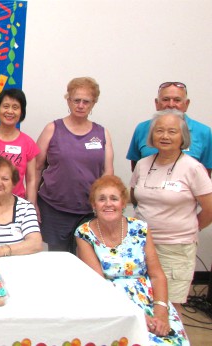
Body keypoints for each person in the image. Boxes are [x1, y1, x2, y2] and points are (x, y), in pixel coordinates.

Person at [76, 175, 188, 344]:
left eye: (114, 198)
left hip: (149, 299)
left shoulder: (140, 228)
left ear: (123, 203)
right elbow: (99, 284)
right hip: (111, 301)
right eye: (101, 199)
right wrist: (136, 315)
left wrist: (160, 311)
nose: (108, 204)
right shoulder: (84, 233)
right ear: (93, 205)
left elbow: (157, 275)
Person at [130, 109, 212, 309]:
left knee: (170, 308)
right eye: (159, 131)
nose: (165, 136)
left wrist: (190, 228)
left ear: (182, 136)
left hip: (175, 248)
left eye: (172, 131)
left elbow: (209, 209)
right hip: (140, 245)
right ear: (152, 135)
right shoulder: (142, 164)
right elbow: (134, 198)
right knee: (141, 302)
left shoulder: (193, 168)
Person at [35, 77, 114, 252]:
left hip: (89, 210)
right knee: (57, 259)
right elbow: (36, 167)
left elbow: (108, 174)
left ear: (93, 104)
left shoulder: (102, 133)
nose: (80, 105)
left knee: (88, 259)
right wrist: (32, 202)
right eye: (76, 100)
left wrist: (105, 205)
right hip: (54, 209)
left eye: (86, 101)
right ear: (68, 100)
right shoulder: (52, 129)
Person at [126, 81, 212, 175]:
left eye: (177, 100)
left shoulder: (203, 132)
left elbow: (206, 174)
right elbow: (136, 169)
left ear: (186, 104)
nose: (171, 105)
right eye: (166, 99)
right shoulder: (142, 129)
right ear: (156, 103)